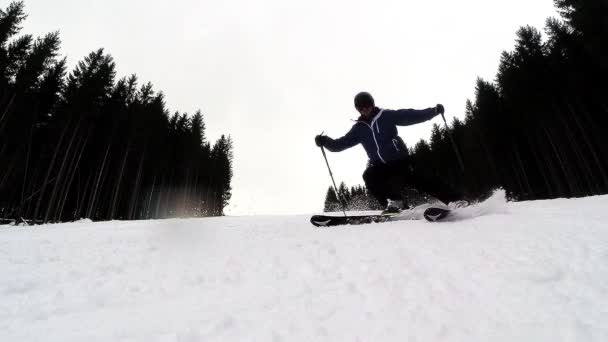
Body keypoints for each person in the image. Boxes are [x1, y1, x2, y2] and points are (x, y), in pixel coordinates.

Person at [315, 92, 467, 214]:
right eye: (361, 108)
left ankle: (454, 200)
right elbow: (340, 144)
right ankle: (395, 204)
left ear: (372, 104)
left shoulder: (386, 116)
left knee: (422, 180)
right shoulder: (359, 129)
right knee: (370, 176)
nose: (365, 109)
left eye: (367, 105)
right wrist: (325, 141)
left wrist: (433, 111)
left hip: (400, 161)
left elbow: (410, 116)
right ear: (358, 109)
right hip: (382, 167)